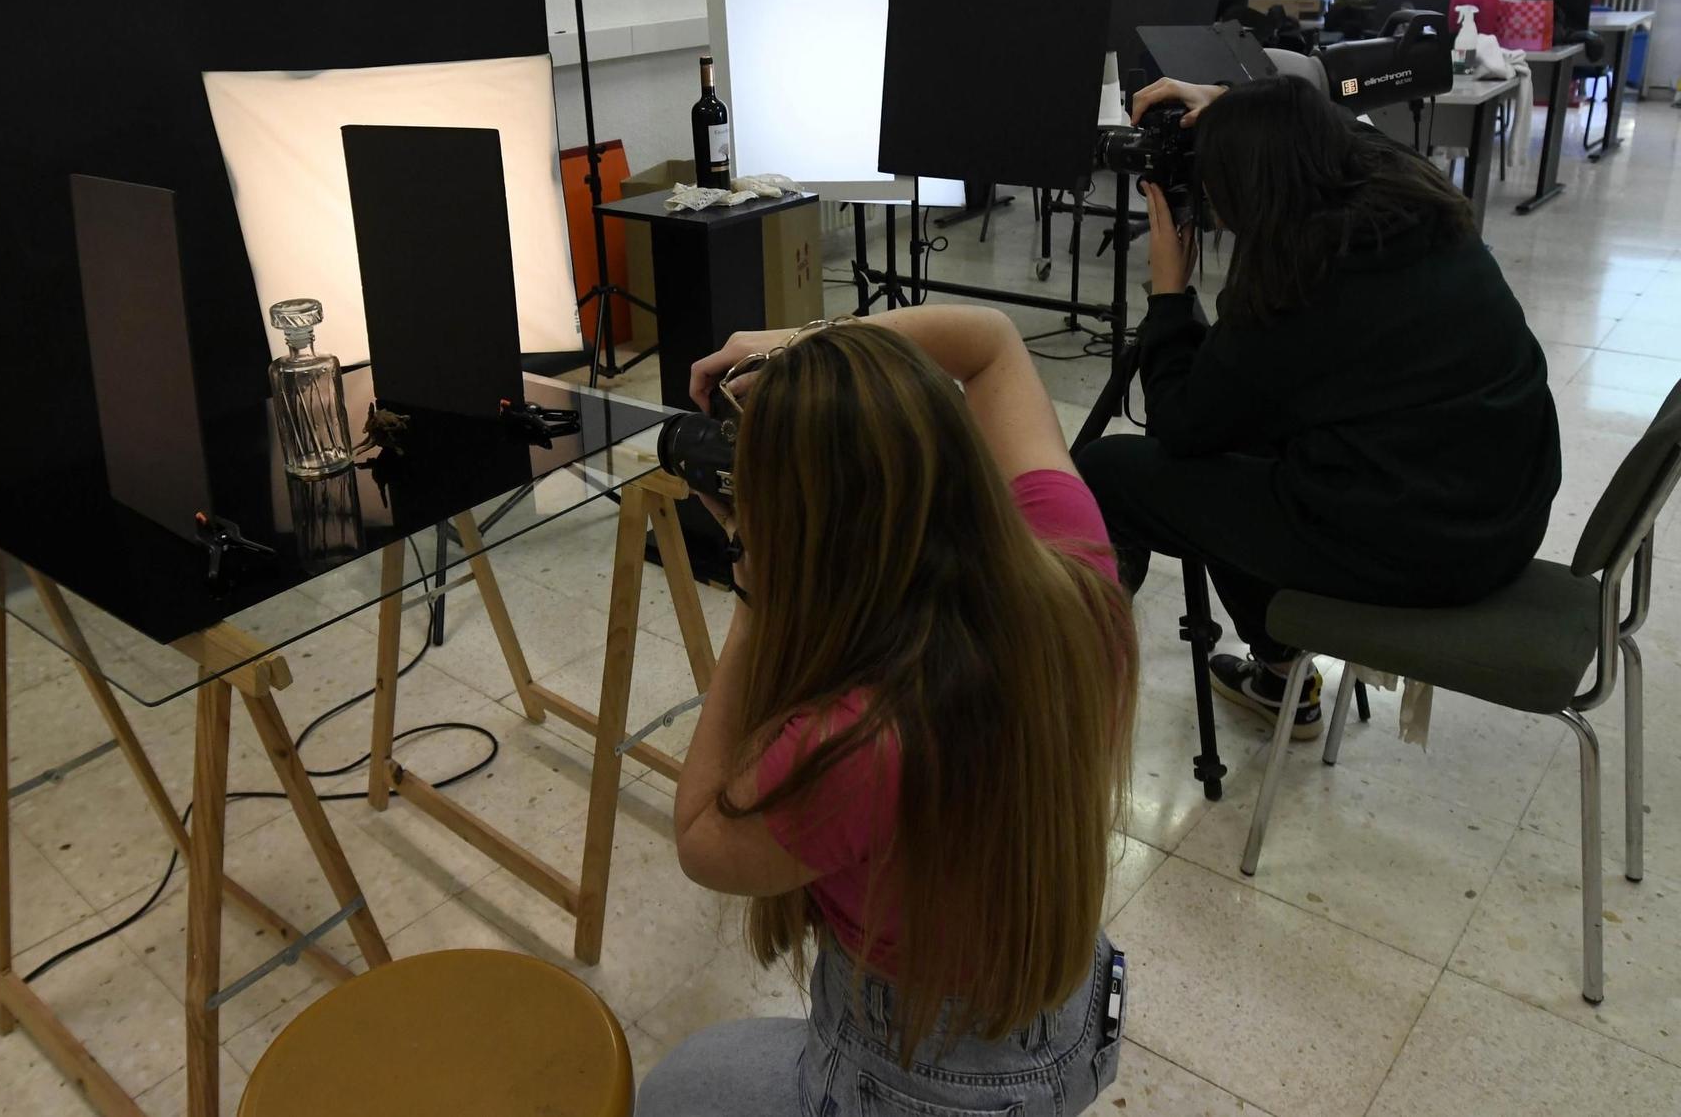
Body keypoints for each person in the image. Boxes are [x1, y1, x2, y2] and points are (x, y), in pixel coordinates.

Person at [636, 305, 1138, 1117]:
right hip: (1067, 1009)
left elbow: (701, 838)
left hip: (930, 1075)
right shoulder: (1072, 564)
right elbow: (992, 342)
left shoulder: (861, 739)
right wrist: (811, 347)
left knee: (670, 1093)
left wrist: (756, 586)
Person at [1077, 74, 1561, 736]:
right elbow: (1353, 137)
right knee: (1251, 435)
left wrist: (1169, 297)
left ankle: (1073, 675)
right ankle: (1280, 678)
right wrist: (1250, 115)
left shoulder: (1297, 282)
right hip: (1502, 512)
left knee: (1108, 469)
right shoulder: (1421, 203)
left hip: (1426, 555)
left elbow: (1184, 425)